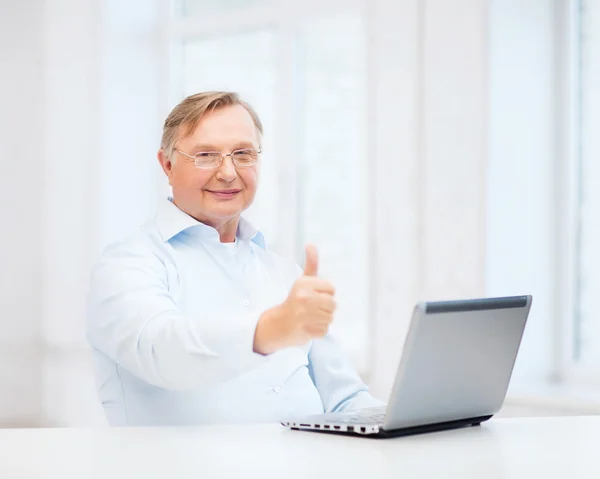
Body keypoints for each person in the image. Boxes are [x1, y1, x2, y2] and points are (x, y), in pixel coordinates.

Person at [86, 91, 383, 426]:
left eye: (243, 154)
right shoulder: (128, 263)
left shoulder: (283, 273)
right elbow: (162, 352)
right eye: (206, 156)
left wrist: (415, 417)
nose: (228, 172)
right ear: (167, 164)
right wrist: (269, 330)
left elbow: (345, 398)